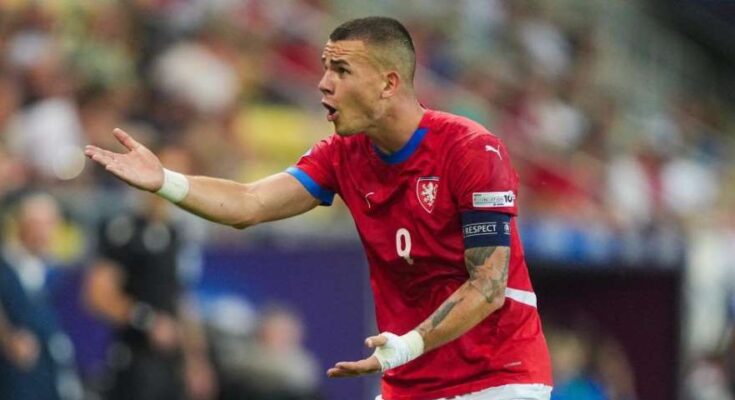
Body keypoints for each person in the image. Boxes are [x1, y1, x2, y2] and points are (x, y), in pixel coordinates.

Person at [85, 16, 553, 400]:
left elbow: (489, 285)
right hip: (410, 381)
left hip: (499, 377)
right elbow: (249, 203)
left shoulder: (471, 149)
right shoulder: (343, 155)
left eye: (342, 71)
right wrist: (165, 181)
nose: (323, 84)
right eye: (326, 68)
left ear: (389, 83)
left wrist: (408, 345)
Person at [83, 146, 217, 400]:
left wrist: (196, 361)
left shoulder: (179, 235)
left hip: (173, 361)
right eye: (168, 171)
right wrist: (147, 321)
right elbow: (97, 295)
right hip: (135, 357)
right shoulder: (124, 230)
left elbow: (182, 299)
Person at [0, 193, 82, 400]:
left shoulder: (59, 272)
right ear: (21, 225)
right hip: (14, 375)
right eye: (37, 224)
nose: (44, 231)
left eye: (50, 224)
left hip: (51, 372)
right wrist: (7, 337)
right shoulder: (6, 266)